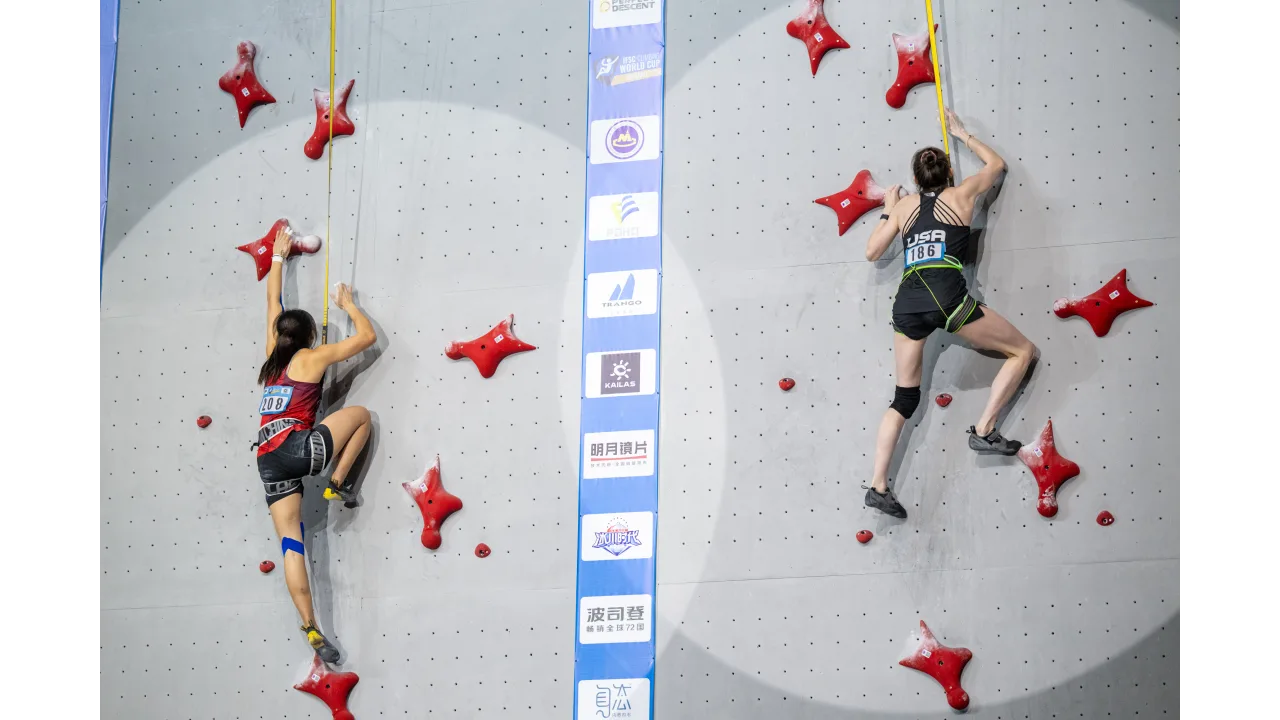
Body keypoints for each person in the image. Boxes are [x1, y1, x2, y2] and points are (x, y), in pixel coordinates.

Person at [861, 108, 1038, 520]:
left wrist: (889, 207)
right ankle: (984, 430)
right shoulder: (962, 194)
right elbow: (997, 165)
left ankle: (878, 486)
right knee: (1023, 351)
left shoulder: (904, 208)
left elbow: (872, 252)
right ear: (950, 174)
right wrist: (962, 135)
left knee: (904, 398)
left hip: (908, 303)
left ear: (916, 179)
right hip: (946, 298)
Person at [255, 228, 376, 662]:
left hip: (268, 460)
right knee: (361, 416)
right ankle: (337, 483)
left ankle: (310, 627)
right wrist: (349, 306)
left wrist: (277, 258)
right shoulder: (311, 357)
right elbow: (365, 340)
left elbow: (273, 304)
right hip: (298, 446)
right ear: (308, 335)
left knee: (292, 543)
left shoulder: (272, 358)